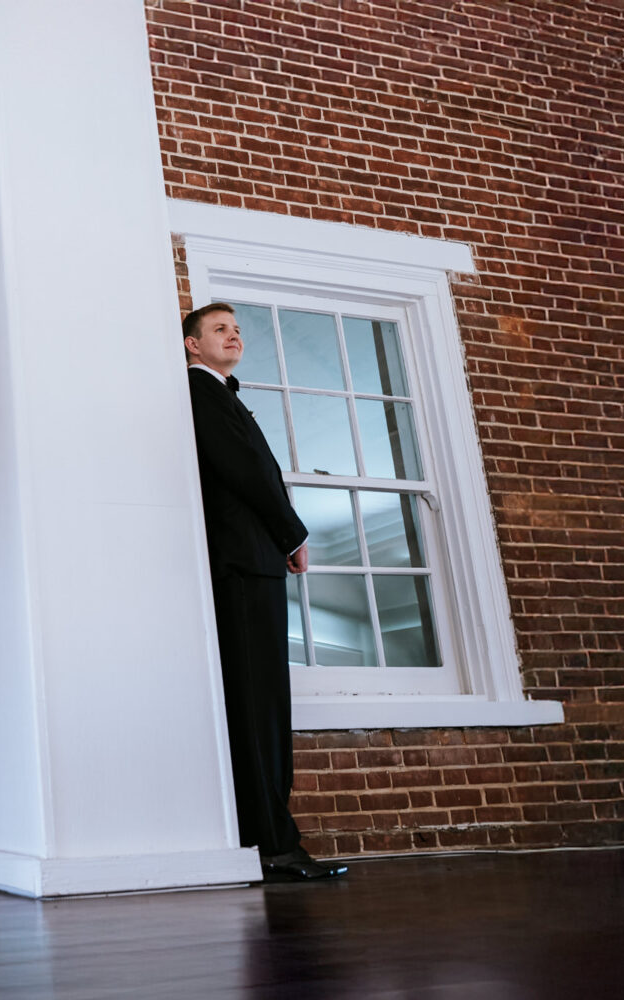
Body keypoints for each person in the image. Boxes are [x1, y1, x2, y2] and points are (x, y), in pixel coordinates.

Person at [183, 302, 348, 883]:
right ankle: (271, 845)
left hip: (254, 561)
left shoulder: (222, 395)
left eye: (237, 330)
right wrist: (291, 532)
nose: (234, 337)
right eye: (219, 330)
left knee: (265, 705)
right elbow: (246, 470)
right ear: (192, 345)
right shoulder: (201, 393)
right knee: (257, 706)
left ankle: (273, 839)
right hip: (243, 562)